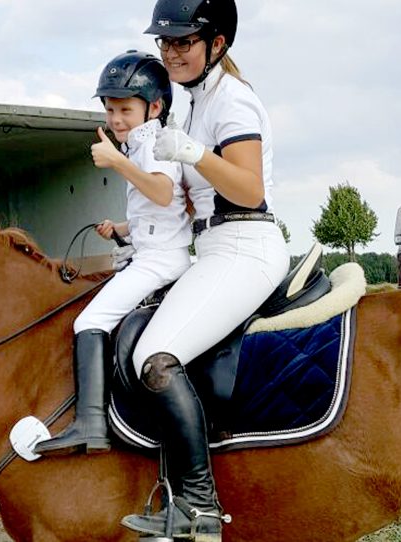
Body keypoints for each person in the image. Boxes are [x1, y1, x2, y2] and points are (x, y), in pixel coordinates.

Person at [120, 0, 291, 539]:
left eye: (183, 42)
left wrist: (193, 152)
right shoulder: (188, 103)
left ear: (216, 44)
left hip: (246, 246)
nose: (170, 52)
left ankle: (199, 507)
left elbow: (249, 188)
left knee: (154, 356)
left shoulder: (232, 100)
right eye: (165, 43)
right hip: (211, 248)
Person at [34, 50, 192, 456]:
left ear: (154, 107)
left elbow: (162, 192)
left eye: (125, 109)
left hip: (160, 260)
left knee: (89, 321)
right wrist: (120, 229)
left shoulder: (153, 143)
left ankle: (90, 424)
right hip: (151, 251)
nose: (115, 118)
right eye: (109, 109)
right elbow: (159, 211)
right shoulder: (139, 144)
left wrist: (115, 163)